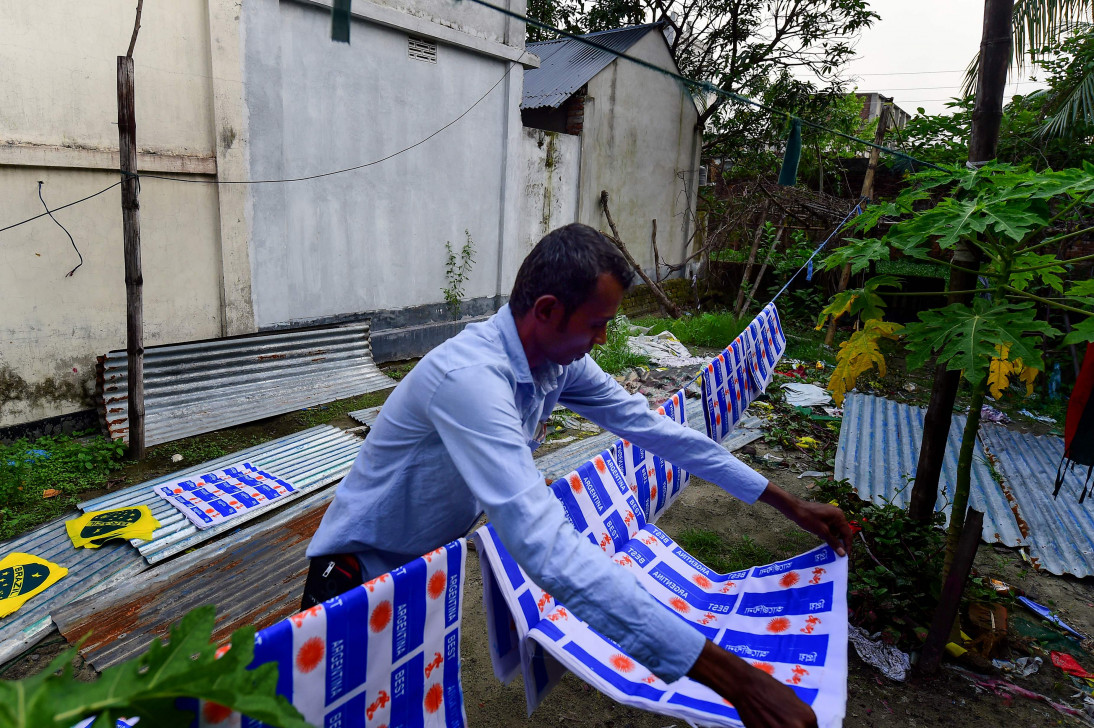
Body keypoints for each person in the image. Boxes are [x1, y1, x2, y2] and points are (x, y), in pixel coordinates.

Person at [304, 223, 852, 728]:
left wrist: (788, 503)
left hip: (422, 573)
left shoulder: (553, 364)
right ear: (546, 310)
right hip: (356, 576)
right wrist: (738, 682)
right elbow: (542, 546)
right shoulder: (471, 381)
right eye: (597, 323)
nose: (604, 339)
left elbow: (654, 430)